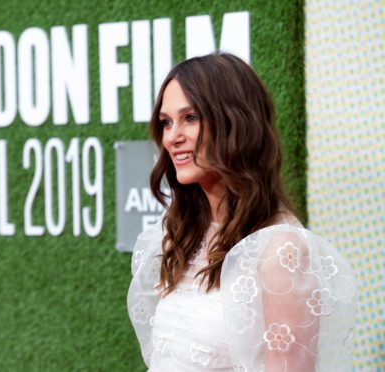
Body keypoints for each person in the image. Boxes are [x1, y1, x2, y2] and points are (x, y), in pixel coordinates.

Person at [127, 53, 357, 371]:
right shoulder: (178, 234)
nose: (172, 137)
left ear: (235, 123)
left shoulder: (279, 251)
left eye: (190, 117)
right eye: (166, 122)